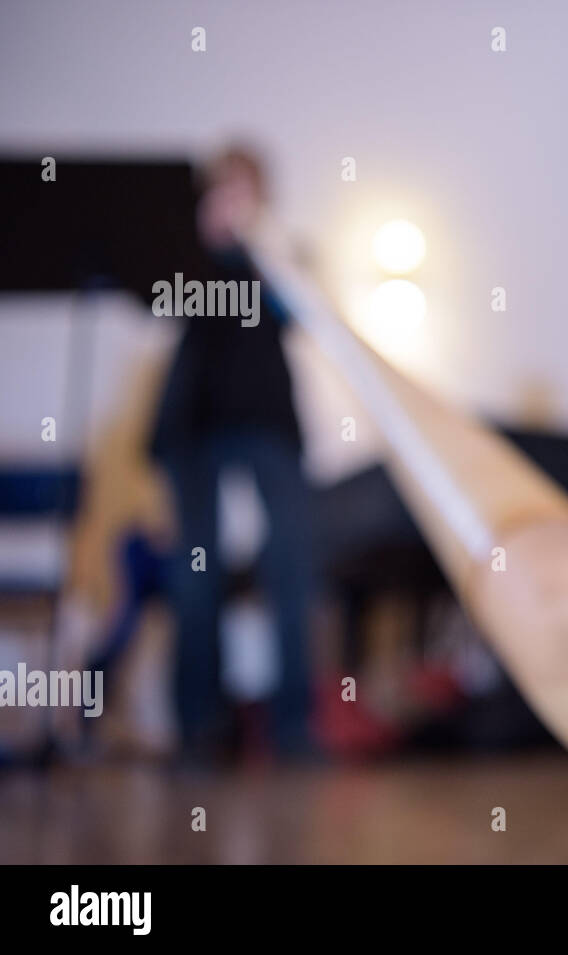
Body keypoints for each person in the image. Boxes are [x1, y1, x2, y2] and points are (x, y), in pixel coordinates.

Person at [149, 146, 316, 761]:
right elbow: (162, 303)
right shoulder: (188, 264)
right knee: (196, 577)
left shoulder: (281, 259)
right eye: (223, 191)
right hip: (195, 431)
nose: (234, 203)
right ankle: (198, 731)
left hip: (271, 425)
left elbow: (301, 312)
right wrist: (200, 250)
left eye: (246, 191)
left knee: (294, 571)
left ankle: (296, 732)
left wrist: (260, 246)